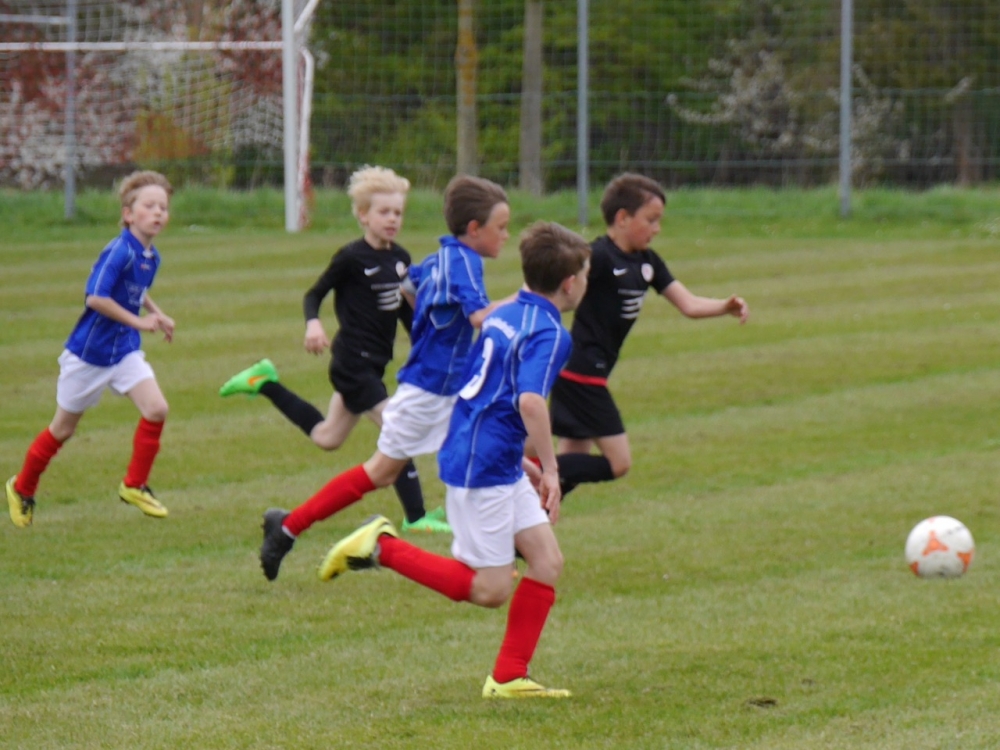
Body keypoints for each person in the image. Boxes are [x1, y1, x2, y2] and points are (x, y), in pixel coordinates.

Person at [318, 221, 591, 699]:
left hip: (488, 453)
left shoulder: (506, 315)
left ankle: (508, 677)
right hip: (481, 464)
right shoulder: (551, 332)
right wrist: (550, 468)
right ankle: (381, 546)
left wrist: (518, 461)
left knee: (546, 560)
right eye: (585, 275)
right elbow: (529, 401)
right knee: (490, 589)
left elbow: (487, 391)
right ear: (570, 283)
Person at [257, 174, 514, 581]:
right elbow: (480, 317)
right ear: (474, 229)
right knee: (385, 470)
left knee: (490, 448)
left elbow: (409, 289)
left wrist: (429, 334)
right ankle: (290, 528)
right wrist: (528, 297)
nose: (506, 235)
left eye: (398, 212)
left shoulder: (440, 256)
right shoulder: (464, 262)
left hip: (438, 385)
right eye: (501, 227)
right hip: (423, 390)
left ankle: (502, 551)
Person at [217, 166, 448, 536]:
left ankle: (264, 382)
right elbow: (314, 294)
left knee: (327, 437)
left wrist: (428, 345)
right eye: (384, 212)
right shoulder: (351, 258)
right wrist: (313, 323)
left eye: (398, 212)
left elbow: (407, 313)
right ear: (363, 215)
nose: (392, 219)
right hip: (352, 364)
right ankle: (416, 516)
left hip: (374, 366)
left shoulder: (402, 259)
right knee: (399, 427)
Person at [547, 172, 750, 497]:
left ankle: (528, 518)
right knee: (618, 462)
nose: (657, 228)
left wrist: (724, 307)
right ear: (622, 218)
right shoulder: (598, 257)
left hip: (587, 372)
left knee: (570, 468)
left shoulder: (648, 262)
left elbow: (688, 304)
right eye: (651, 220)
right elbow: (553, 288)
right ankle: (515, 470)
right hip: (581, 372)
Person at [6, 170, 176, 527]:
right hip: (89, 355)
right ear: (128, 214)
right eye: (149, 206)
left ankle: (134, 485)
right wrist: (140, 322)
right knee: (62, 430)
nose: (158, 213)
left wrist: (158, 314)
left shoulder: (151, 256)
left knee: (157, 408)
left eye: (163, 207)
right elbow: (96, 298)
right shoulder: (118, 251)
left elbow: (136, 291)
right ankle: (21, 488)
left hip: (124, 351)